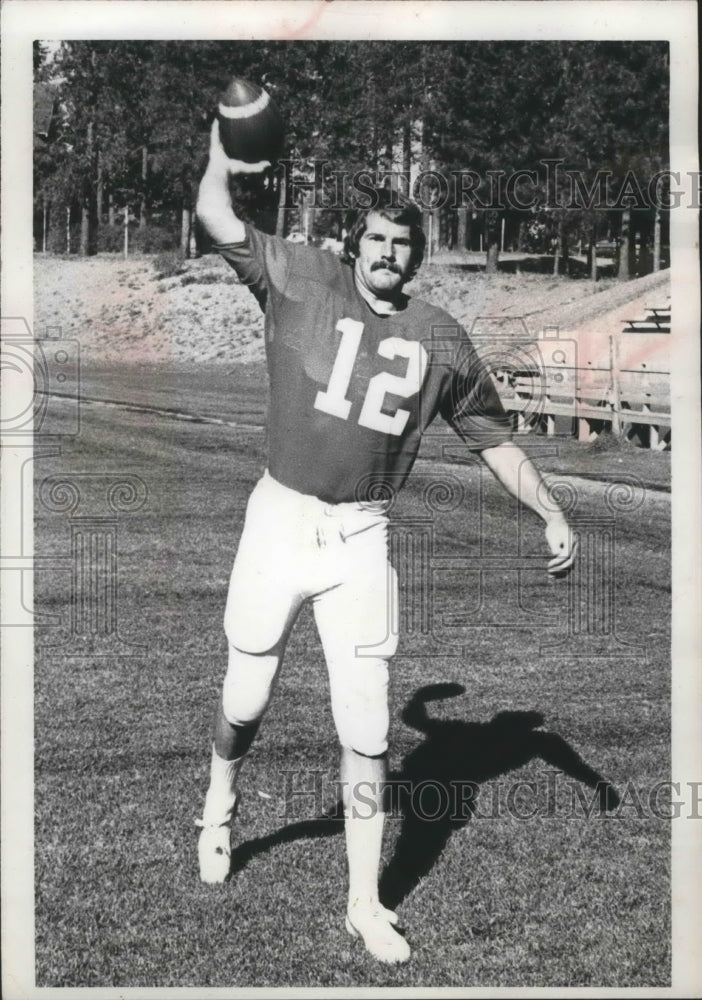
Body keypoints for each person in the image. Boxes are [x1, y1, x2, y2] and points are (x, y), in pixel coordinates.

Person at [194, 121, 577, 965]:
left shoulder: (440, 336)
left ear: (418, 257)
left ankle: (365, 903)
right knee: (247, 695)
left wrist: (549, 511)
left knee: (366, 729)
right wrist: (224, 154)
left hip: (362, 533)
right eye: (377, 239)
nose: (388, 256)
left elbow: (495, 442)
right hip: (281, 516)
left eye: (404, 245)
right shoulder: (300, 277)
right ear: (353, 242)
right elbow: (217, 216)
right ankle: (220, 798)